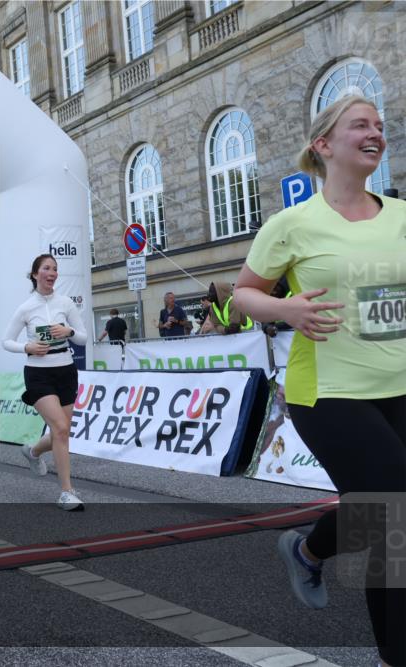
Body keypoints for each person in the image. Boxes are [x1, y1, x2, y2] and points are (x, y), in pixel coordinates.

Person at [233, 95, 405, 667]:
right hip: (328, 392)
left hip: (400, 384)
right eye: (360, 125)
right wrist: (286, 310)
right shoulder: (292, 224)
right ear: (324, 145)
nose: (375, 132)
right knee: (393, 510)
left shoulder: (402, 216)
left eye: (379, 125)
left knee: (381, 507)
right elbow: (242, 296)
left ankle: (309, 550)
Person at [3, 253, 88, 511]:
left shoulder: (66, 303)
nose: (52, 273)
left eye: (54, 269)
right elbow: (6, 341)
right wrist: (27, 347)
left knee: (61, 432)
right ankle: (66, 492)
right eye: (46, 268)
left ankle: (33, 451)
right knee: (60, 428)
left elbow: (83, 337)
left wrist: (68, 331)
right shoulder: (26, 308)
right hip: (38, 373)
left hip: (66, 370)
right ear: (35, 274)